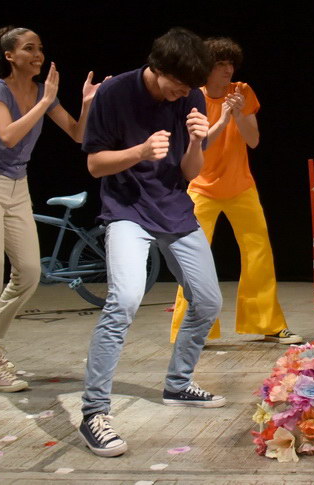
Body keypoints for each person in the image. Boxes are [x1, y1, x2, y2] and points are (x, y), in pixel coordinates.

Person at [78, 28, 225, 458]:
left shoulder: (190, 99)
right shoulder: (115, 93)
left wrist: (198, 140)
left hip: (174, 209)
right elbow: (94, 165)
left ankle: (178, 384)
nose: (183, 93)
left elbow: (191, 171)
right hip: (126, 210)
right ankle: (95, 412)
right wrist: (140, 151)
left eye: (189, 87)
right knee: (123, 300)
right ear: (156, 68)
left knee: (208, 302)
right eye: (177, 84)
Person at [0, 26, 101, 392]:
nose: (38, 54)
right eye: (28, 48)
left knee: (28, 273)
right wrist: (44, 103)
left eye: (40, 48)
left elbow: (77, 134)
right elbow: (8, 136)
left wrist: (86, 104)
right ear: (10, 55)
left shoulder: (43, 93)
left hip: (17, 188)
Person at [169, 37, 302, 345]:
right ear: (206, 67)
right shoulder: (192, 97)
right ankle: (191, 328)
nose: (227, 70)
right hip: (201, 187)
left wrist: (240, 114)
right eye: (220, 64)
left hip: (241, 186)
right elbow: (200, 144)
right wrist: (225, 116)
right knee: (193, 258)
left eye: (230, 64)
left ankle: (268, 323)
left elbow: (253, 141)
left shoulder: (242, 92)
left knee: (259, 254)